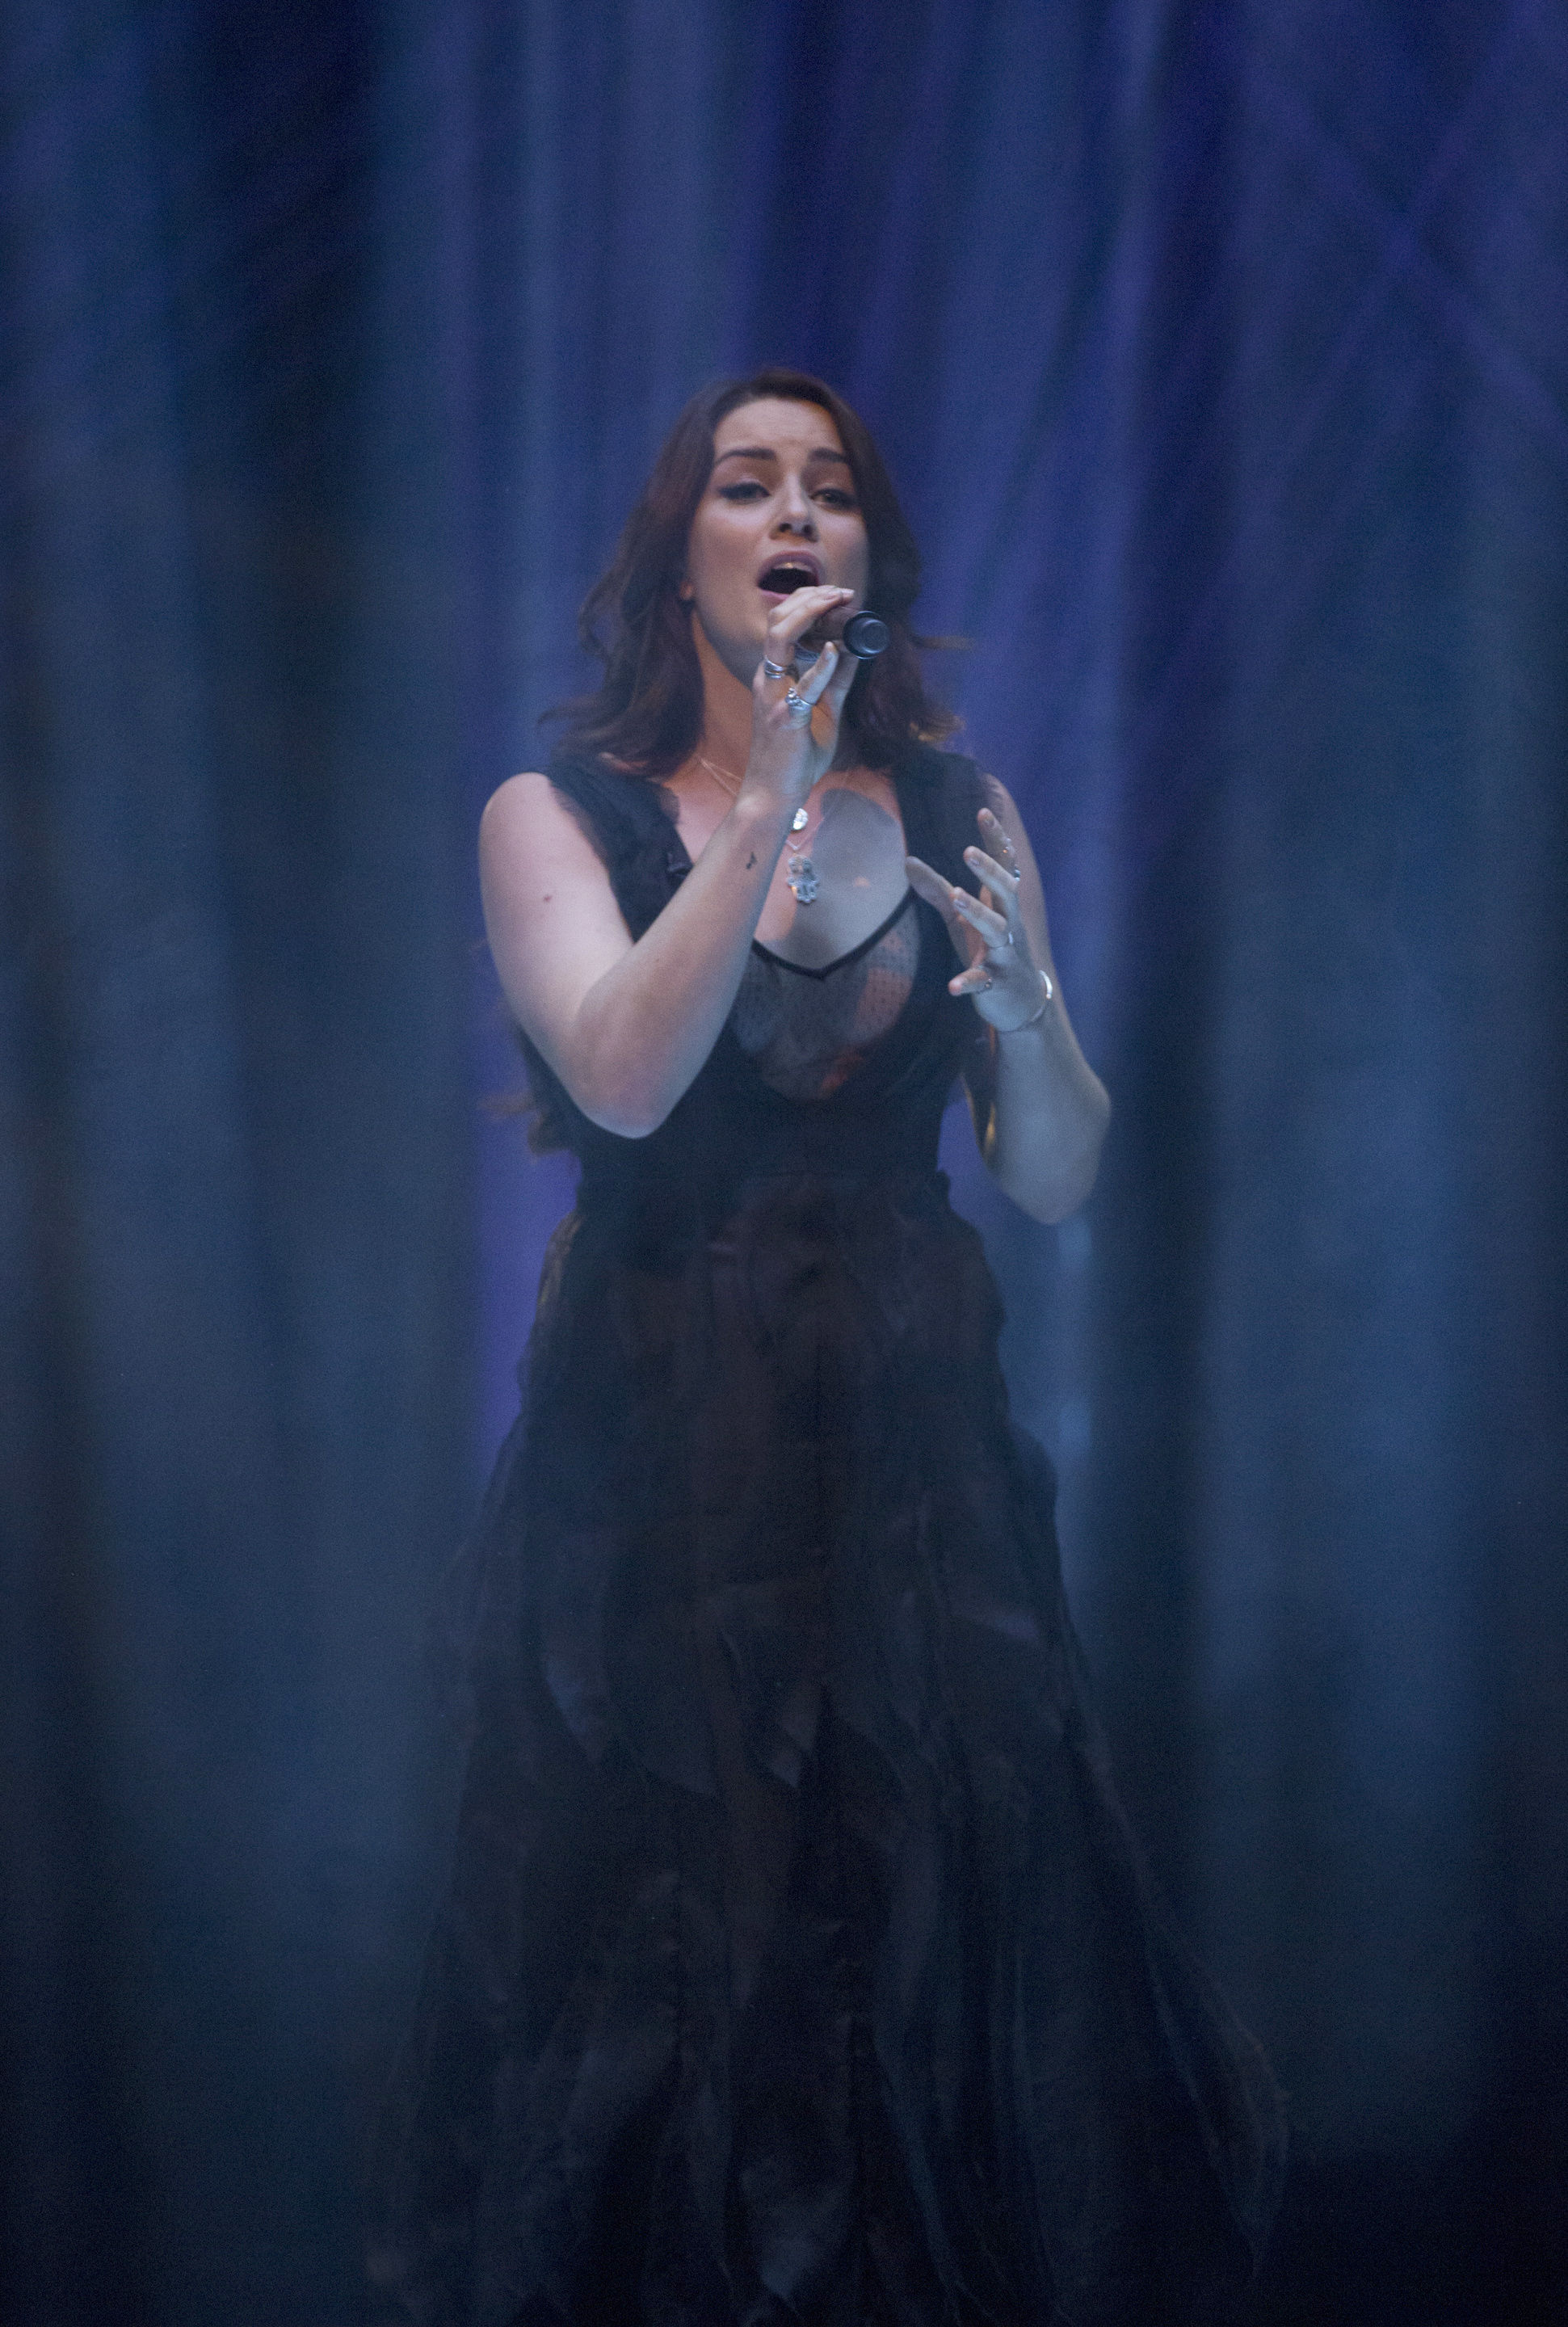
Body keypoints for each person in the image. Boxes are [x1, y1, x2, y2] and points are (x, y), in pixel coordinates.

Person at [369, 368, 1285, 2326]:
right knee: (674, 1933)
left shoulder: (958, 809)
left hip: (910, 1456)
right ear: (674, 553)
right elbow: (618, 1076)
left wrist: (1031, 1018)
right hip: (661, 1452)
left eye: (830, 492)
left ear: (862, 554)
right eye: (746, 485)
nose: (794, 517)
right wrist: (770, 794)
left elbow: (1049, 1177)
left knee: (933, 1916)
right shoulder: (560, 815)